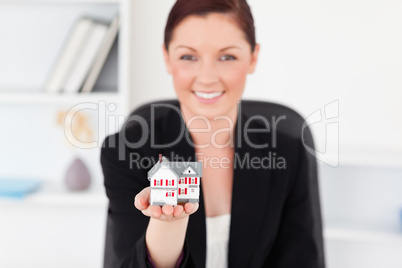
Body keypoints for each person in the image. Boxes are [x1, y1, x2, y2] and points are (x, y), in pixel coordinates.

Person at [100, 0, 325, 267]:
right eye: (189, 57)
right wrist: (168, 223)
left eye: (227, 57)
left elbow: (301, 261)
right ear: (167, 58)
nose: (207, 77)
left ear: (253, 58)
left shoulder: (287, 153)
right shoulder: (126, 151)